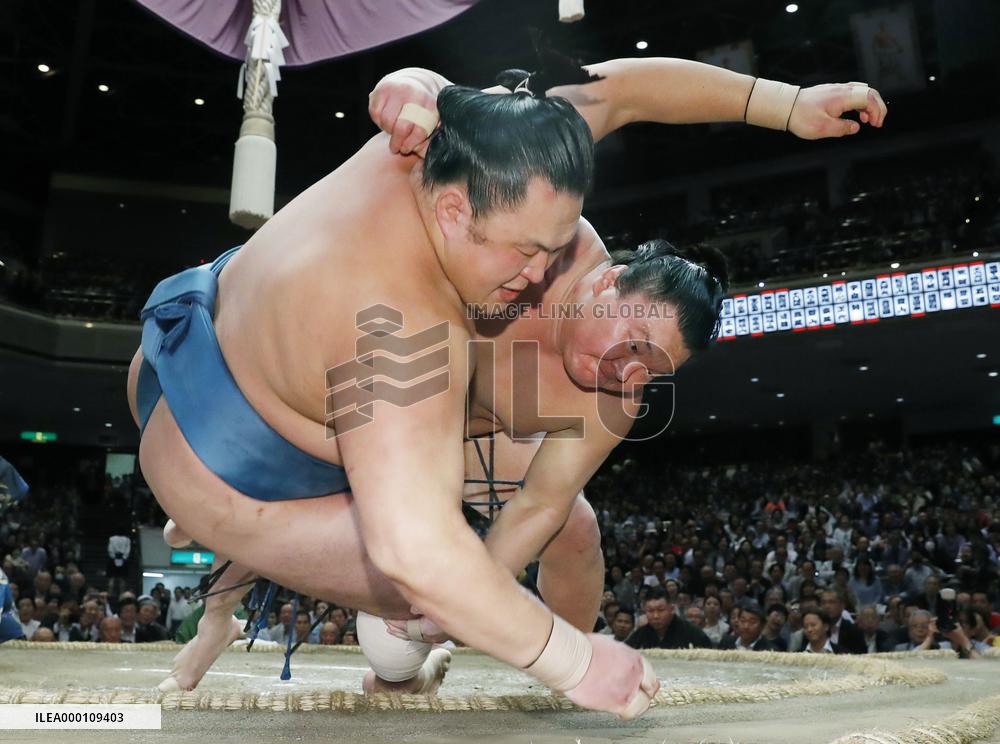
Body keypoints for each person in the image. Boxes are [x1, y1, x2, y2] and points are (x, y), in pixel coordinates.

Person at [142, 53, 885, 712]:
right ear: (607, 280)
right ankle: (220, 590)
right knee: (423, 568)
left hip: (329, 420)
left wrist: (473, 606)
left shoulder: (526, 195)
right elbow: (618, 88)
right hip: (209, 431)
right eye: (629, 342)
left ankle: (291, 623)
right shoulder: (431, 289)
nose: (627, 372)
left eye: (650, 371)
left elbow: (541, 505)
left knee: (533, 539)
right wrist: (558, 653)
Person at [625, 588, 713, 650]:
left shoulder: (693, 633)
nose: (655, 616)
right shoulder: (639, 636)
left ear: (671, 609)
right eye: (650, 611)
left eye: (661, 610)